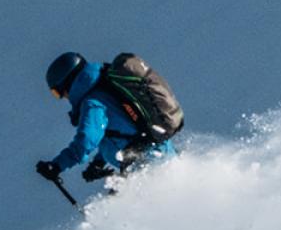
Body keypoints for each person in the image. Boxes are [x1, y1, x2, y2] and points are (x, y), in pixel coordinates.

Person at [35, 52, 176, 185]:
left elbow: (87, 139)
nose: (62, 97)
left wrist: (57, 165)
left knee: (126, 204)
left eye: (57, 92)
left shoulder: (92, 102)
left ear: (67, 83)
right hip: (156, 156)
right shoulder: (103, 91)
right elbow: (120, 131)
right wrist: (99, 162)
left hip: (148, 163)